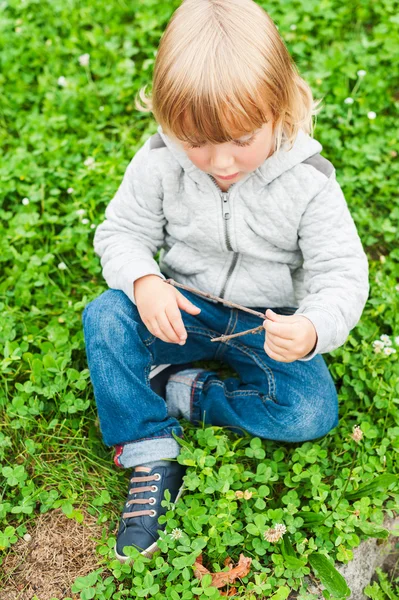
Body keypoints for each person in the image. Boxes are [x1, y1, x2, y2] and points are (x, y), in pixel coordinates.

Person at [82, 0, 369, 562]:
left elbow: (342, 274)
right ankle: (148, 450)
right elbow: (120, 232)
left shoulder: (309, 183)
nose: (220, 162)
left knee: (310, 413)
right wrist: (143, 281)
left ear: (279, 109)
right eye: (198, 142)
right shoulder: (160, 159)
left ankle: (181, 390)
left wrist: (311, 329)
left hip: (267, 324)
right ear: (167, 120)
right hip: (182, 306)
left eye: (241, 139)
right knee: (104, 316)